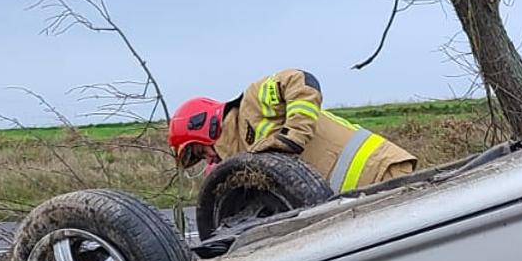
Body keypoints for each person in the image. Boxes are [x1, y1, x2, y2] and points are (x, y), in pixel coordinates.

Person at [168, 68, 418, 192]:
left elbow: (301, 81)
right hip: (359, 197)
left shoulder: (252, 103)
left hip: (381, 172)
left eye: (200, 152)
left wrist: (293, 136)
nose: (208, 159)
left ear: (204, 127)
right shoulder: (248, 158)